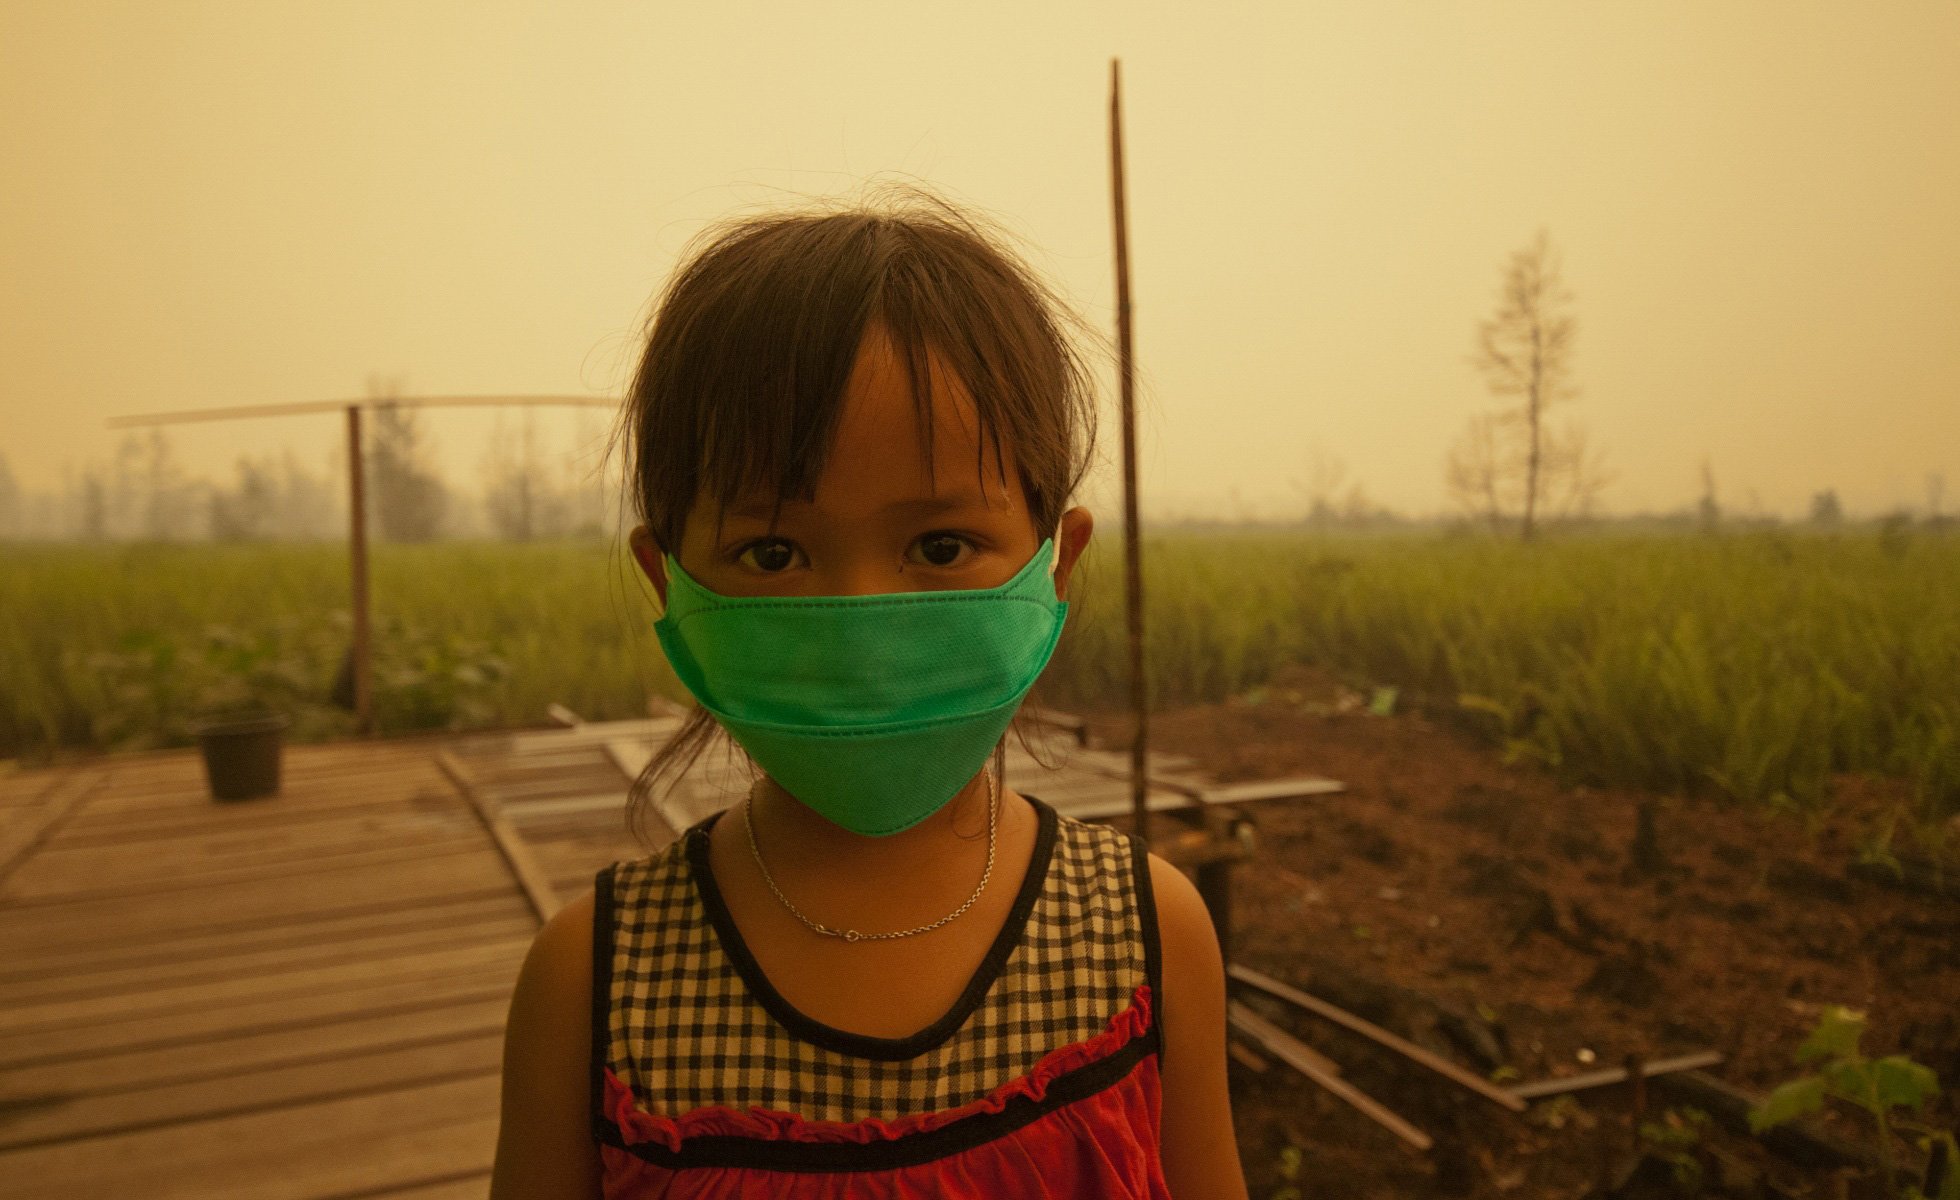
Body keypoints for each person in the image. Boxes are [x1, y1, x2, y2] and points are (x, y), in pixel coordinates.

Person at [490, 187, 1247, 1199]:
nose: (862, 620)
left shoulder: (1147, 934)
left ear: (1054, 565)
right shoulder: (592, 986)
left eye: (939, 546)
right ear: (667, 583)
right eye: (773, 551)